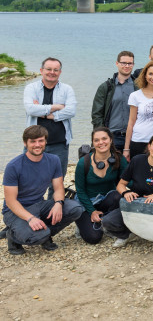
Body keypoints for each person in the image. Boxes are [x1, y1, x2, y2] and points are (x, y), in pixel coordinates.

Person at [3, 125, 83, 255]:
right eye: (33, 141)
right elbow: (11, 202)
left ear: (46, 141)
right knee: (36, 237)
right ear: (25, 143)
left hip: (39, 205)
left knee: (75, 209)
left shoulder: (53, 160)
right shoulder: (14, 166)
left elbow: (58, 188)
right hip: (14, 211)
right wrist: (30, 218)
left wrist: (58, 203)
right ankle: (13, 237)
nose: (37, 144)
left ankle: (45, 233)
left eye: (40, 140)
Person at [103, 133, 153, 247]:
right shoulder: (137, 160)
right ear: (149, 146)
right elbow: (120, 185)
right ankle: (127, 234)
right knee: (107, 222)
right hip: (136, 204)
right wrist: (126, 192)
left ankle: (144, 231)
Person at [23, 57, 77, 195]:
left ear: (60, 72)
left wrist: (45, 112)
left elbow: (71, 111)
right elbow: (30, 109)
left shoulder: (67, 89)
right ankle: (32, 209)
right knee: (29, 179)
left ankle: (53, 211)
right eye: (48, 69)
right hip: (33, 143)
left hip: (59, 144)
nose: (52, 72)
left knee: (57, 181)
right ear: (41, 70)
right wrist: (57, 107)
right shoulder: (31, 88)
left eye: (55, 70)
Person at [73, 127, 130, 244]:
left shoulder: (119, 158)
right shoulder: (83, 163)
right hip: (87, 202)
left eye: (104, 139)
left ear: (111, 140)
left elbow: (128, 181)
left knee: (118, 195)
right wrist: (92, 211)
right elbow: (80, 191)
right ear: (93, 143)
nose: (101, 143)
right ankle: (83, 222)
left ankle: (106, 221)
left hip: (107, 200)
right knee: (94, 238)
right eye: (97, 140)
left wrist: (147, 188)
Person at [123, 60, 153, 160]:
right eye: (150, 74)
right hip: (139, 140)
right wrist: (126, 148)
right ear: (145, 75)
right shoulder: (135, 95)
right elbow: (131, 122)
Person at [91, 50, 138, 150]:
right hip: (112, 137)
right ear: (117, 63)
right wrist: (103, 133)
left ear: (133, 65)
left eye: (129, 63)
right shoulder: (106, 87)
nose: (127, 66)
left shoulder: (138, 87)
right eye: (123, 63)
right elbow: (96, 114)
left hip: (134, 136)